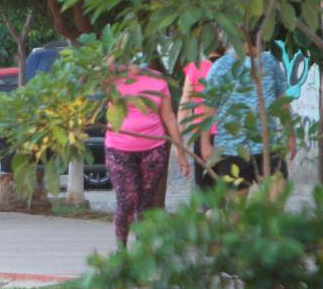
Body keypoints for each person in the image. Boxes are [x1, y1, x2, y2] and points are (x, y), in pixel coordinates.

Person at [106, 63, 191, 246]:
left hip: (153, 149)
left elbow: (168, 116)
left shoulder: (157, 78)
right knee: (127, 200)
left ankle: (142, 250)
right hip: (119, 148)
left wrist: (181, 153)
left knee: (146, 204)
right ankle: (121, 252)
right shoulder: (111, 77)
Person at [201, 40, 296, 195]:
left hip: (268, 145)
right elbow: (208, 107)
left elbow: (282, 101)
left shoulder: (270, 62)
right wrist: (205, 143)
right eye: (250, 40)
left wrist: (290, 134)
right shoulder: (220, 67)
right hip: (231, 148)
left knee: (276, 205)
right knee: (236, 213)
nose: (256, 46)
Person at [178, 46, 226, 191]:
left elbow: (185, 102)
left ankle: (208, 211)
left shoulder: (195, 67)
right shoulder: (232, 67)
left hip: (203, 133)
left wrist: (179, 138)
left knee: (206, 187)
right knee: (230, 184)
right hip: (229, 133)